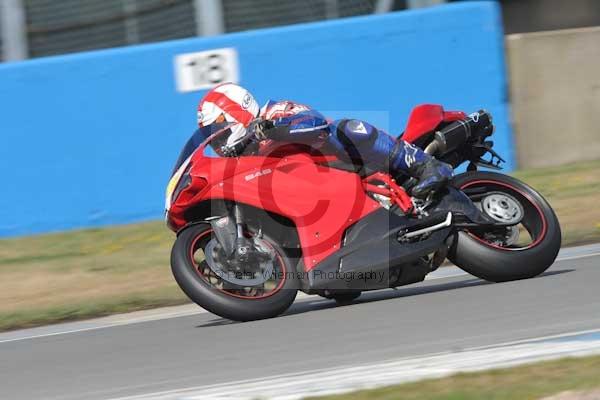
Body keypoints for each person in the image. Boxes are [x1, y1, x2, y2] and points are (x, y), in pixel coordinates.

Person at [176, 82, 454, 199]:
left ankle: (426, 166)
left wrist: (271, 129)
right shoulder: (245, 156)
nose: (220, 140)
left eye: (221, 130)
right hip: (323, 195)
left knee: (349, 127)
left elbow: (316, 123)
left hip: (349, 165)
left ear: (240, 110)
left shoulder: (276, 111)